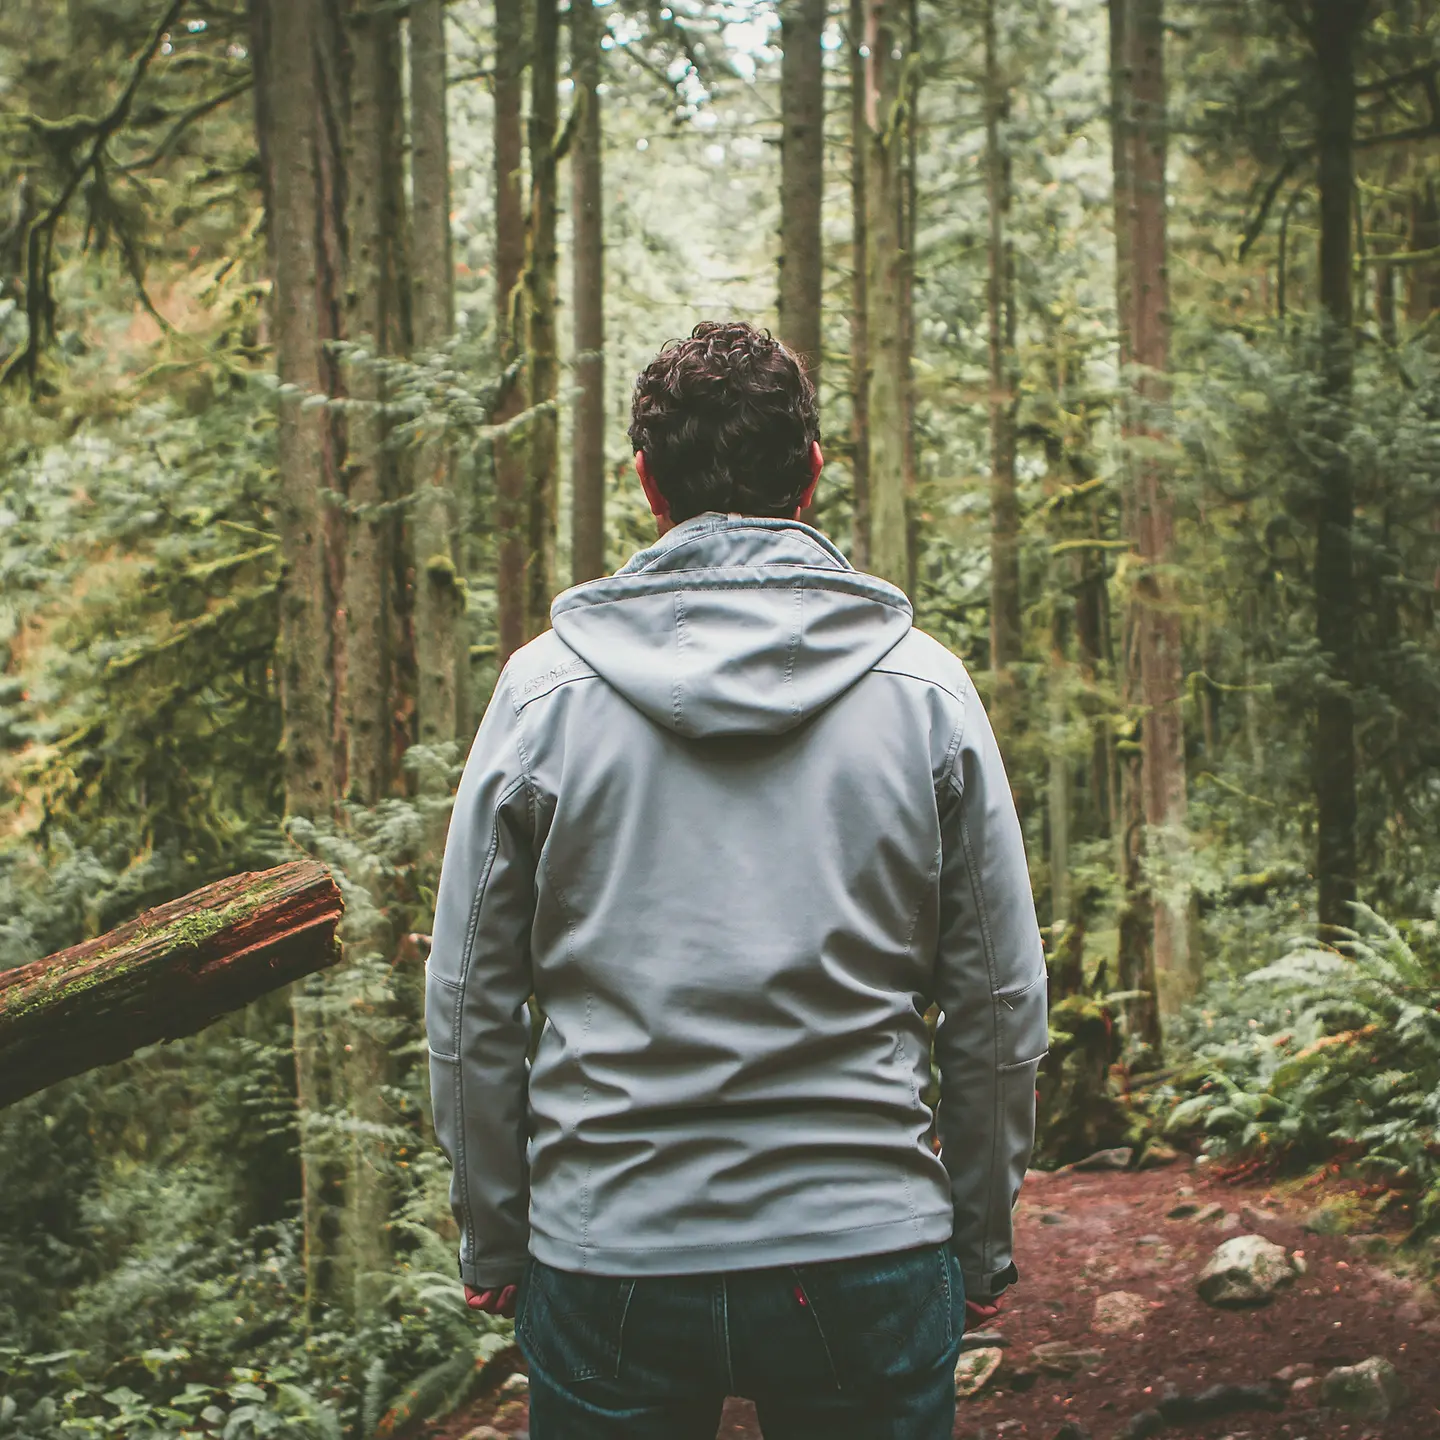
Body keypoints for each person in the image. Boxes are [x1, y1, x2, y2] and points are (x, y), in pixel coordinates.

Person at [426, 320, 1046, 1439]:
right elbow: (998, 1000)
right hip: (867, 1245)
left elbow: (470, 999)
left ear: (644, 483)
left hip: (611, 1252)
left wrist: (496, 1231)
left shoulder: (543, 694)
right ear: (811, 470)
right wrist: (982, 1234)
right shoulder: (925, 691)